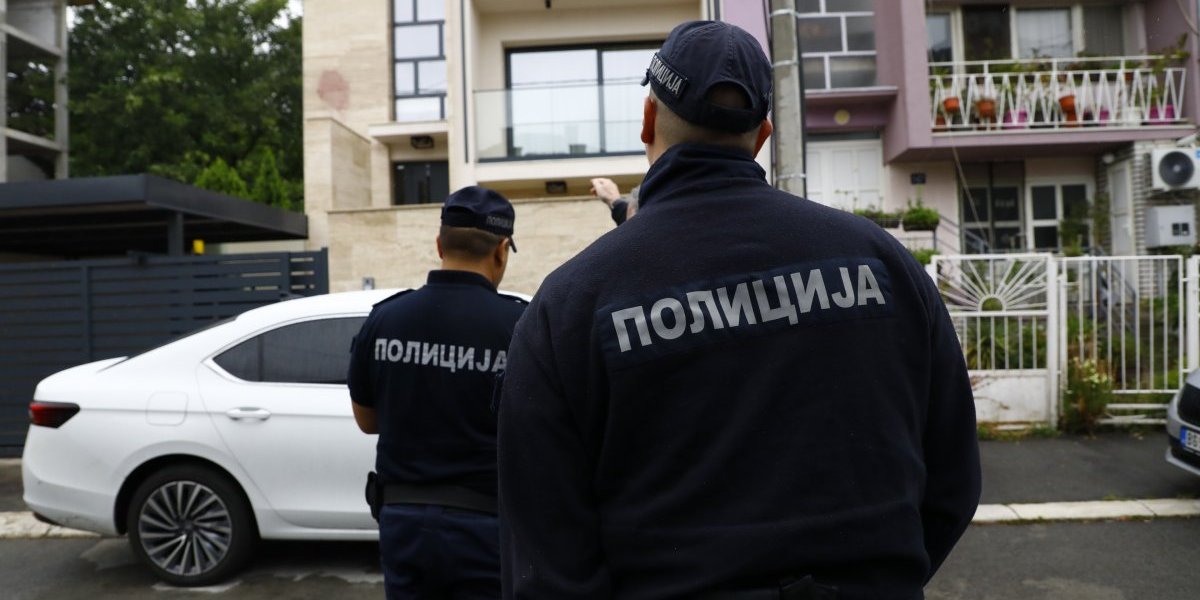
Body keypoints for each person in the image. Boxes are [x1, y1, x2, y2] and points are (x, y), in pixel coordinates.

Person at [497, 20, 980, 600]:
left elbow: (545, 551)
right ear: (762, 135)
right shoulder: (884, 262)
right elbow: (952, 478)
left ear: (648, 119)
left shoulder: (571, 302)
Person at [349, 185, 527, 600]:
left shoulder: (386, 319)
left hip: (403, 522)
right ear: (501, 251)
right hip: (487, 525)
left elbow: (367, 420)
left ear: (439, 244)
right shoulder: (520, 326)